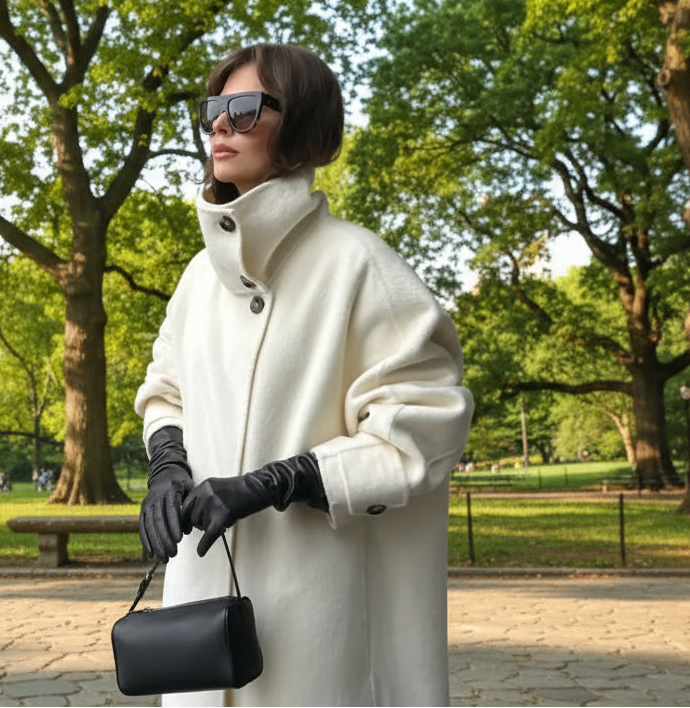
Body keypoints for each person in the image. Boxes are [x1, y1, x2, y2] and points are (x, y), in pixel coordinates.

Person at [135, 43, 474, 707]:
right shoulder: (198, 278)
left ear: (304, 125)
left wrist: (279, 482)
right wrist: (167, 465)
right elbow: (166, 387)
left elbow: (422, 430)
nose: (219, 126)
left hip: (323, 613)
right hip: (201, 610)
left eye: (244, 107)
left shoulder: (360, 264)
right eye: (213, 109)